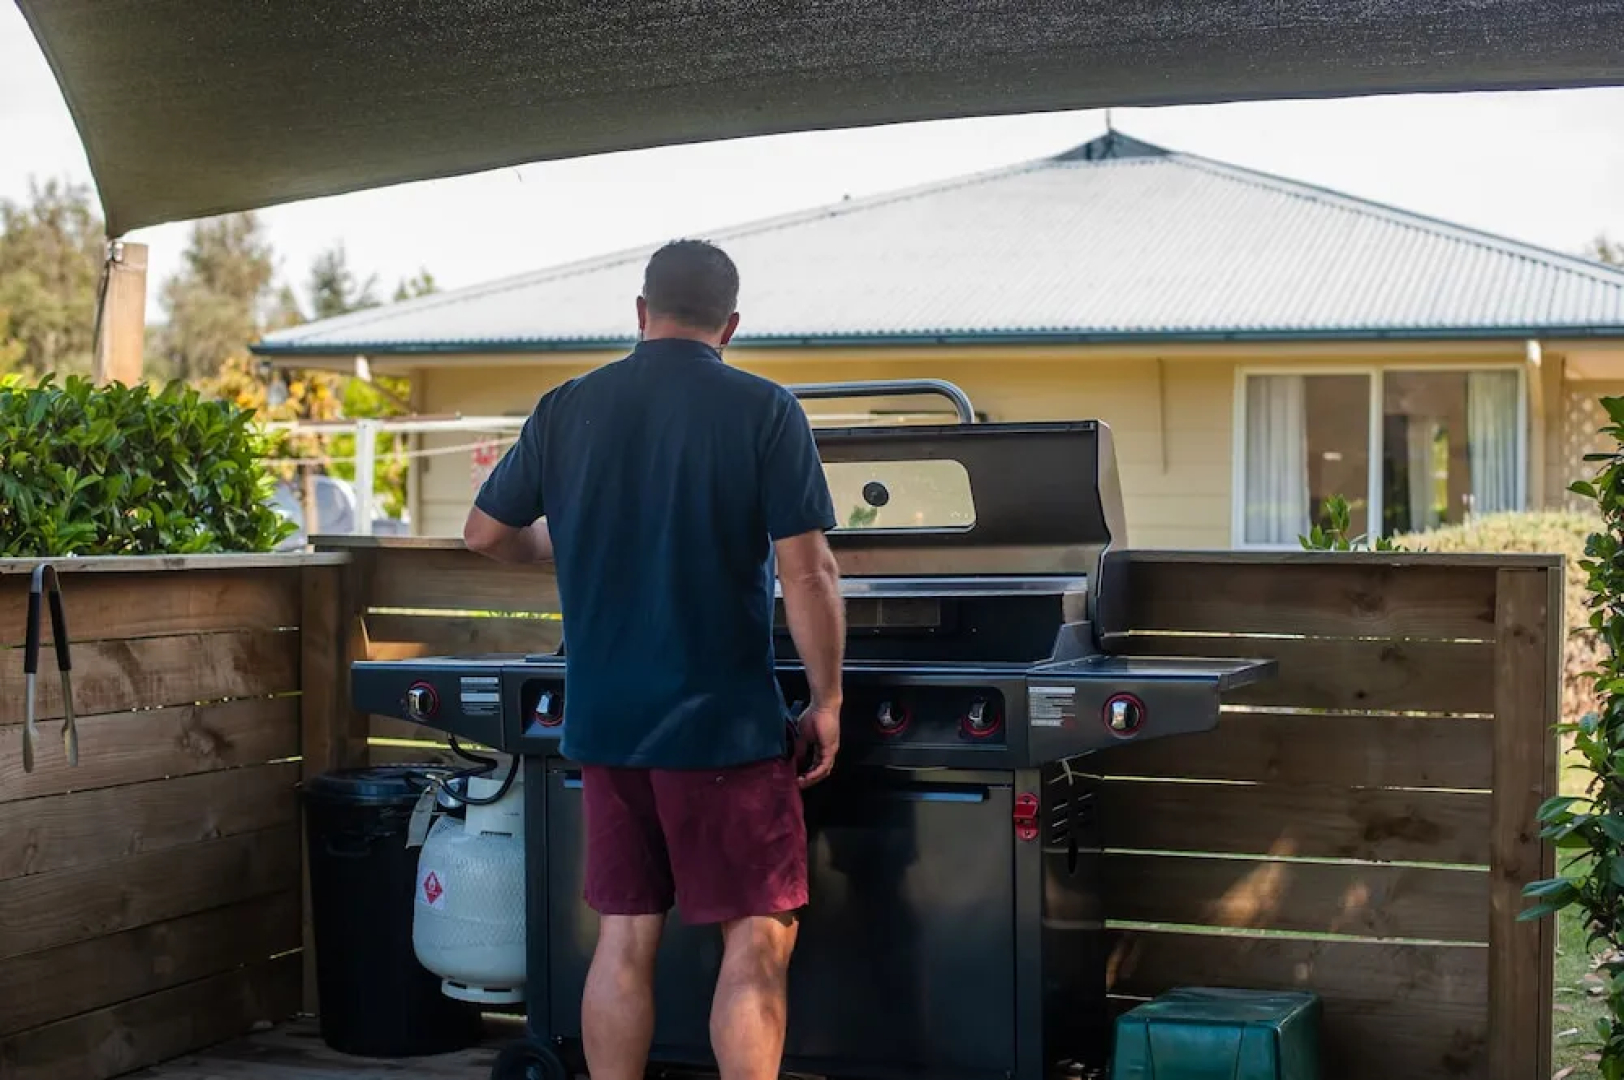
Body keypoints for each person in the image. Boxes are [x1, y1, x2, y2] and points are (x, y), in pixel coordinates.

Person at [462, 239, 846, 1080]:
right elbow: (809, 572)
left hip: (608, 727)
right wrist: (827, 701)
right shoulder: (765, 409)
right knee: (757, 933)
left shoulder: (567, 406)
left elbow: (485, 533)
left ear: (641, 312)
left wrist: (561, 544)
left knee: (626, 935)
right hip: (723, 730)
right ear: (730, 325)